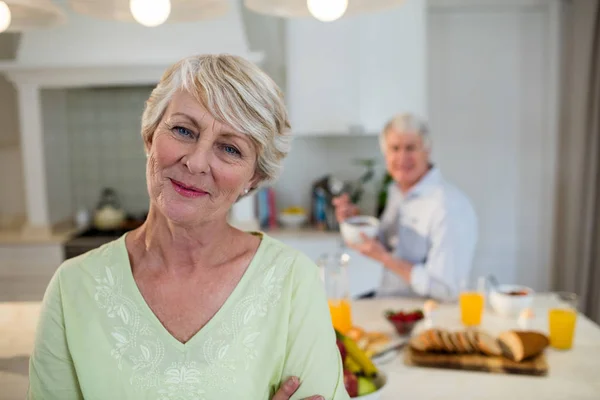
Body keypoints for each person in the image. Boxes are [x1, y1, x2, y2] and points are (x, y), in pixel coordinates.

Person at [28, 54, 348, 400]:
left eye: (229, 148)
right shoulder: (72, 289)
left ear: (253, 176)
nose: (195, 162)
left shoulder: (291, 281)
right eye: (183, 131)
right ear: (150, 135)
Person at [334, 113, 478, 301]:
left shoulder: (448, 207)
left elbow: (447, 290)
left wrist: (386, 259)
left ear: (427, 150)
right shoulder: (398, 192)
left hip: (422, 315)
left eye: (410, 148)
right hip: (386, 299)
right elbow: (386, 246)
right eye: (395, 148)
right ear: (386, 154)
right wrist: (354, 224)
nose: (402, 157)